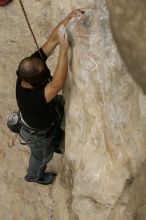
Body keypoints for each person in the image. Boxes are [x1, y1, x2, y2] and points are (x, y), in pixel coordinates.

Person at [16, 9, 84, 185]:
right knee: (42, 157)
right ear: (37, 82)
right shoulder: (34, 100)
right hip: (37, 134)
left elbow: (52, 41)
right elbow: (57, 84)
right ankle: (35, 176)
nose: (45, 67)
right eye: (45, 72)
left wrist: (66, 20)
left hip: (46, 115)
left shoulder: (29, 69)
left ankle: (55, 137)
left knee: (59, 108)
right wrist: (63, 52)